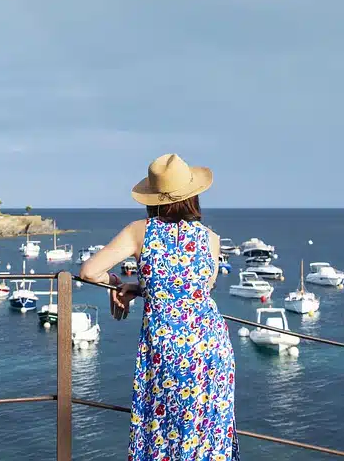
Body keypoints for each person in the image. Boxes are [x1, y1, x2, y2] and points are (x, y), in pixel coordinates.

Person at [79, 153, 239, 460]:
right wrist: (142, 289)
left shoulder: (140, 231)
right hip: (210, 348)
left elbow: (88, 271)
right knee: (206, 432)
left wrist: (118, 283)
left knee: (162, 430)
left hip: (166, 349)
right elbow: (197, 291)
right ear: (193, 196)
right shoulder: (211, 240)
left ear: (152, 198)